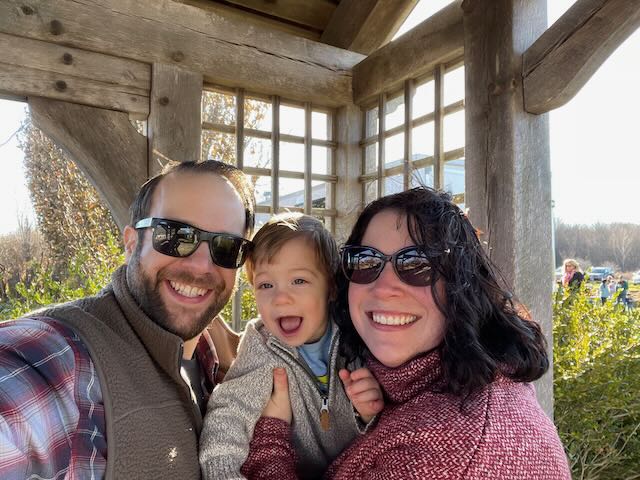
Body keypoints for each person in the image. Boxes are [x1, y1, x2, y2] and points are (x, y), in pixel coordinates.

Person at [242, 187, 571, 479]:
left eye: (416, 264)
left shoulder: (447, 453)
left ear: (461, 282)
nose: (383, 287)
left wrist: (270, 439)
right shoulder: (454, 381)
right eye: (366, 261)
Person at [0, 160, 255, 479]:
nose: (201, 265)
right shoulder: (64, 358)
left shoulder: (241, 360)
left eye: (227, 247)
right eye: (175, 236)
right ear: (132, 243)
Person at [200, 213, 382, 479]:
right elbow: (229, 414)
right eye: (266, 284)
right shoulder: (262, 346)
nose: (281, 298)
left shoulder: (356, 336)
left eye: (299, 281)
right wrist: (223, 472)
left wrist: (368, 415)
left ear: (331, 288)